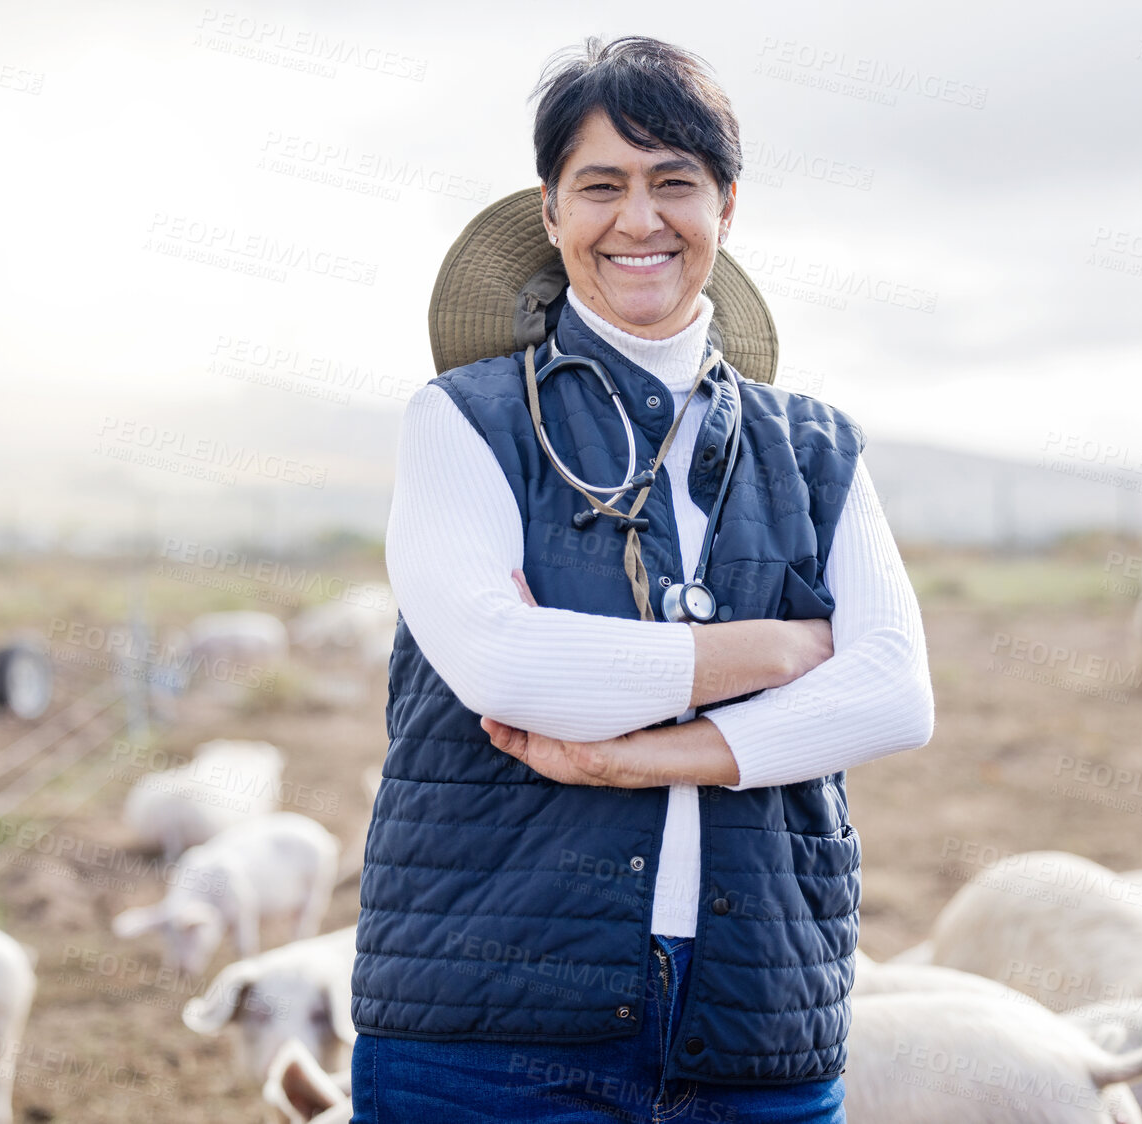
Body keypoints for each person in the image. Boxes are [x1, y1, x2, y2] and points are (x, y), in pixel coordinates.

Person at [352, 34, 935, 1123]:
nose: (638, 219)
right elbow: (501, 661)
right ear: (550, 211)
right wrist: (767, 651)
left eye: (674, 183)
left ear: (724, 206)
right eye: (600, 185)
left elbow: (896, 693)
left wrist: (638, 759)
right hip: (490, 1037)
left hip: (756, 1025)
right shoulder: (461, 423)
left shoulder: (814, 449)